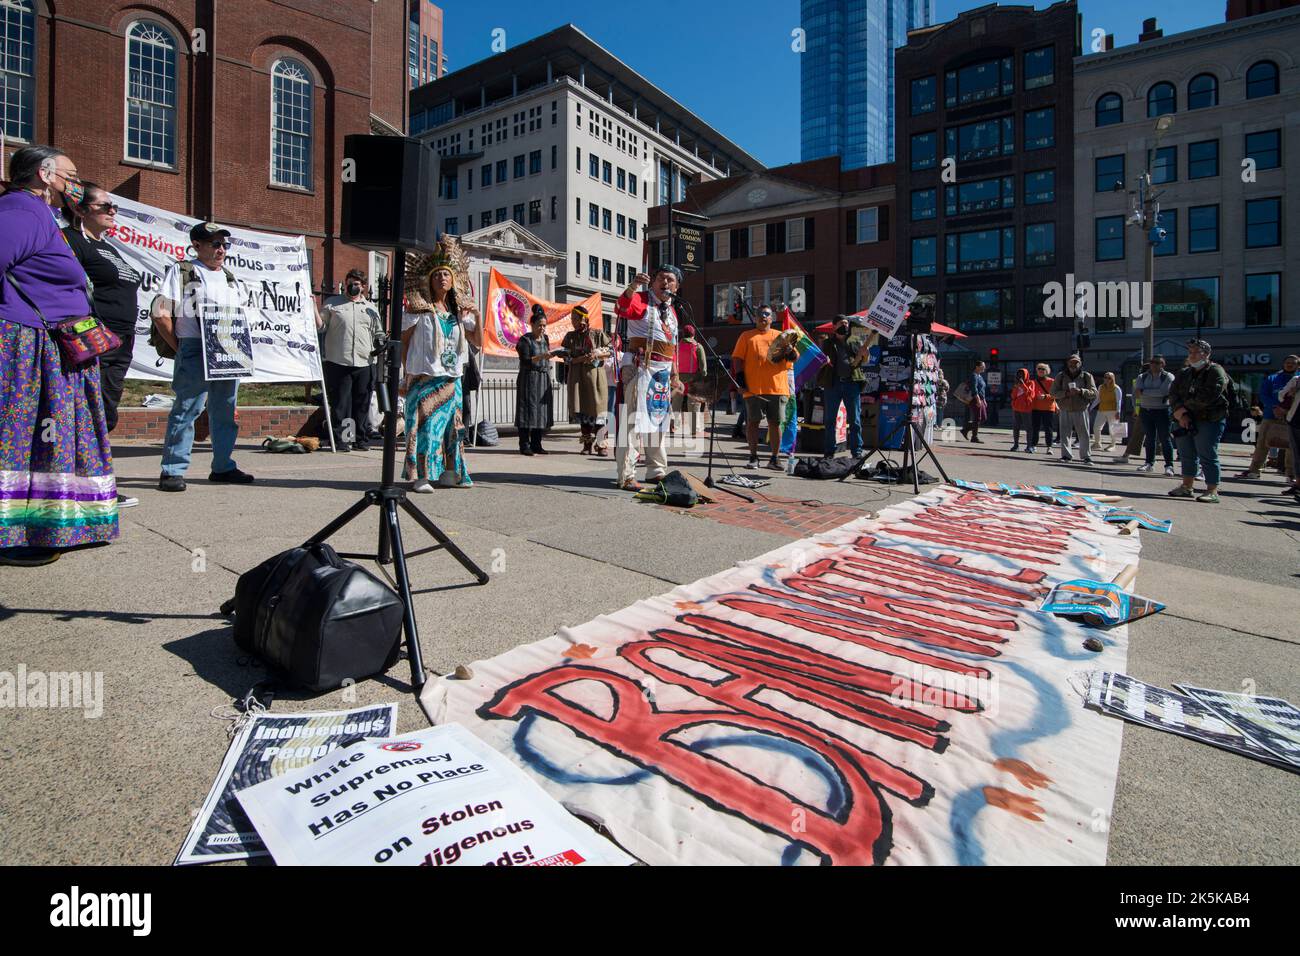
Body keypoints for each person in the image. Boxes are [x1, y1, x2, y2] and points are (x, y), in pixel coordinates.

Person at [0, 145, 118, 566]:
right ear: (45, 174)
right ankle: (13, 536)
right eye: (71, 175)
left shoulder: (43, 216)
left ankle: (66, 521)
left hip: (56, 347)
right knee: (24, 437)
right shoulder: (20, 211)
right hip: (27, 344)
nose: (76, 184)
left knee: (59, 436)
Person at [151, 221, 254, 492]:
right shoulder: (182, 270)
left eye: (224, 244)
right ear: (197, 245)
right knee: (187, 409)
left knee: (225, 411)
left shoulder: (231, 278)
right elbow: (161, 313)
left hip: (229, 350)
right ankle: (172, 471)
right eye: (215, 244)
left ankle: (223, 466)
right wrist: (180, 347)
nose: (221, 249)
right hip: (195, 347)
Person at [63, 182, 142, 507]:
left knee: (105, 412)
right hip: (95, 340)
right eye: (104, 206)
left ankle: (91, 482)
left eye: (114, 207)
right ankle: (84, 486)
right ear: (80, 210)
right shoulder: (72, 240)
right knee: (88, 412)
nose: (112, 211)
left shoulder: (108, 246)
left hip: (120, 341)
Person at [400, 240, 474, 490]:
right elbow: (404, 343)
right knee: (425, 428)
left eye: (446, 274)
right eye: (437, 275)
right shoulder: (418, 309)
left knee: (454, 428)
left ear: (454, 280)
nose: (442, 278)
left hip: (452, 379)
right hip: (425, 378)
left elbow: (478, 340)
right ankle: (420, 476)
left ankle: (451, 472)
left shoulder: (458, 314)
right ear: (428, 281)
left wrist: (477, 313)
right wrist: (406, 376)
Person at [614, 265, 682, 490]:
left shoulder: (672, 312)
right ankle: (626, 474)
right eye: (661, 278)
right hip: (641, 367)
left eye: (671, 280)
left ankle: (656, 471)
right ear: (652, 281)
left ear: (677, 286)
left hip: (662, 373)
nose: (666, 283)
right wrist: (633, 286)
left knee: (658, 423)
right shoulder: (641, 299)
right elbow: (622, 308)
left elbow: (673, 346)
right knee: (633, 422)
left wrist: (675, 375)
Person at [317, 268, 383, 452]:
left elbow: (378, 332)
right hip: (339, 360)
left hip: (365, 361)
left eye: (356, 284)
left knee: (362, 403)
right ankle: (344, 439)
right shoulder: (332, 304)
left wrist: (380, 341)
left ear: (362, 287)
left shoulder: (371, 308)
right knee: (342, 404)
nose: (352, 286)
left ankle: (360, 439)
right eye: (349, 282)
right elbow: (321, 327)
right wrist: (312, 309)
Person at [731, 305, 796, 470]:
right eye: (759, 314)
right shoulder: (746, 336)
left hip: (778, 388)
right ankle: (753, 457)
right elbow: (737, 359)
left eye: (767, 314)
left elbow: (794, 357)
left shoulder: (780, 337)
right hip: (753, 389)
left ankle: (774, 459)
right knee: (753, 423)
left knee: (775, 424)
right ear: (756, 318)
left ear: (772, 318)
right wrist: (740, 380)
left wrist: (790, 351)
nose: (763, 317)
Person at [1167, 339, 1230, 503]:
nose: (1192, 355)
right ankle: (1187, 487)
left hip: (1209, 419)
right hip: (1183, 418)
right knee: (1186, 454)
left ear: (1207, 354)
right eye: (1190, 352)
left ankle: (1212, 490)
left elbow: (1209, 395)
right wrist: (1179, 412)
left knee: (1207, 453)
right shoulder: (1184, 372)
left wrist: (1184, 411)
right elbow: (1173, 393)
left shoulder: (1216, 371)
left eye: (1196, 352)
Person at [1235, 354, 1298, 482]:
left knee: (1292, 447)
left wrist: (1286, 410)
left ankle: (1290, 474)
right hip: (1271, 415)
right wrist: (1275, 407)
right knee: (1262, 444)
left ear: (1298, 365)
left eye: (1293, 362)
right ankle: (1254, 470)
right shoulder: (1272, 378)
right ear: (1283, 364)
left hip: (1293, 417)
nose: (1290, 364)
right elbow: (1264, 395)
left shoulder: (1298, 379)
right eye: (1287, 362)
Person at [560, 304, 610, 456]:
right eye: (572, 319)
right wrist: (580, 358)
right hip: (578, 378)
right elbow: (566, 357)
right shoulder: (570, 337)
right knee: (583, 411)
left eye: (574, 318)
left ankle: (602, 445)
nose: (572, 321)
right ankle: (587, 445)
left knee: (599, 412)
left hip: (595, 378)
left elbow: (609, 351)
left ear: (583, 319)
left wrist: (596, 354)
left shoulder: (597, 334)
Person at [820, 317, 874, 457]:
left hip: (852, 383)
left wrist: (866, 354)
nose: (845, 326)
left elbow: (864, 360)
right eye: (841, 324)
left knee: (855, 420)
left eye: (846, 323)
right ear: (834, 327)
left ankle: (857, 452)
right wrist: (824, 361)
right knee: (830, 420)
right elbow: (819, 362)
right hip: (833, 383)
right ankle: (829, 452)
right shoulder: (827, 343)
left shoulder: (855, 341)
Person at [516, 305, 557, 456]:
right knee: (526, 411)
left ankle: (537, 443)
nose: (542, 328)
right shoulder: (525, 340)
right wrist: (542, 357)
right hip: (529, 378)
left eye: (544, 326)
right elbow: (525, 360)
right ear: (532, 325)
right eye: (539, 325)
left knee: (540, 412)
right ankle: (524, 444)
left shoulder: (545, 338)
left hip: (542, 378)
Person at [1133, 355, 1176, 475]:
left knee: (1165, 438)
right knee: (1150, 438)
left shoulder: (1168, 376)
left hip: (1162, 411)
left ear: (1162, 364)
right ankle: (1149, 463)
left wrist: (1145, 392)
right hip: (1146, 410)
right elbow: (1137, 393)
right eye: (1152, 362)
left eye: (1157, 363)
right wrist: (1152, 392)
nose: (1153, 364)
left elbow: (1164, 392)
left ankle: (1169, 465)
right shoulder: (1142, 376)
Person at [1051, 354, 1097, 464]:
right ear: (1067, 363)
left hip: (1080, 409)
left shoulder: (1086, 376)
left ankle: (1086, 456)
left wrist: (1081, 391)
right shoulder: (1060, 376)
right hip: (1065, 409)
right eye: (1071, 362)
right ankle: (1066, 456)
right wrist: (1066, 393)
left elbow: (1094, 393)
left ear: (1080, 364)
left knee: (1084, 434)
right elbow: (1053, 393)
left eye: (1076, 362)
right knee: (1064, 434)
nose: (1073, 364)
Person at [673, 324, 708, 439]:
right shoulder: (698, 346)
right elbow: (703, 366)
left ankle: (674, 426)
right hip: (693, 378)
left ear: (683, 334)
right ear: (693, 334)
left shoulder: (676, 346)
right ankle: (693, 430)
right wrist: (703, 376)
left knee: (676, 403)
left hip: (678, 377)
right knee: (693, 404)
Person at [1091, 371, 1124, 451]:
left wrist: (1118, 412)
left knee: (1113, 428)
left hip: (1113, 411)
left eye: (1109, 378)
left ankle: (1112, 445)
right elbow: (1098, 399)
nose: (1107, 379)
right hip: (1101, 410)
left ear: (1112, 379)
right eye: (1105, 377)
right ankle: (1097, 443)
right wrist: (1091, 407)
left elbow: (1118, 401)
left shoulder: (1116, 388)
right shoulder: (1101, 387)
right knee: (1096, 427)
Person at [1009, 368, 1039, 452]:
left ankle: (1029, 446)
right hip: (1016, 408)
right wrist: (1016, 387)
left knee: (1028, 428)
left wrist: (1022, 384)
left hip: (1026, 409)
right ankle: (1016, 445)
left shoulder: (1031, 382)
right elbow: (1013, 396)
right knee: (1016, 427)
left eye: (1022, 374)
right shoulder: (1016, 384)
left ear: (1026, 375)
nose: (1020, 376)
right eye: (1019, 374)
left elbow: (1031, 394)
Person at [1031, 363, 1057, 453]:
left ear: (1047, 371)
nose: (1041, 371)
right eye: (1039, 369)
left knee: (1048, 429)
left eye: (1043, 369)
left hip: (1048, 408)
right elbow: (1030, 395)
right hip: (1035, 408)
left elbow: (1056, 395)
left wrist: (1045, 396)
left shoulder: (1052, 381)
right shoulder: (1033, 382)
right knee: (1035, 428)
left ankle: (1049, 447)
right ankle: (1033, 445)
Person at [960, 361, 987, 443]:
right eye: (983, 366)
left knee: (983, 418)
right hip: (975, 399)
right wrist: (978, 399)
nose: (984, 367)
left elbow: (982, 389)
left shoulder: (980, 376)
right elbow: (974, 388)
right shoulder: (974, 376)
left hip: (981, 398)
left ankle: (966, 429)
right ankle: (974, 437)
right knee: (977, 418)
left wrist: (984, 399)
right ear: (977, 367)